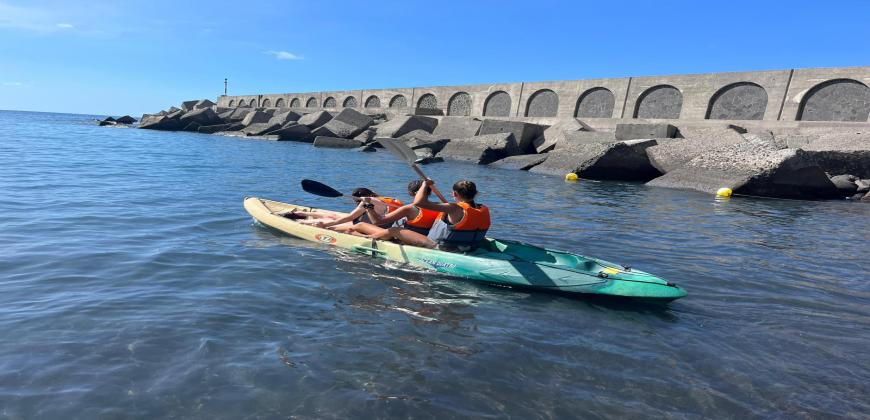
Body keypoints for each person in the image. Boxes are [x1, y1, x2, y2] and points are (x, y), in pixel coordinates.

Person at [366, 179, 490, 251]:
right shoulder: (483, 208)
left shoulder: (453, 208)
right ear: (475, 193)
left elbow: (419, 202)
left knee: (394, 229)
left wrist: (425, 185)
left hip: (440, 247)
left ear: (454, 194)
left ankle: (366, 238)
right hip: (470, 245)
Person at [348, 180, 442, 244]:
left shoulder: (409, 208)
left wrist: (368, 206)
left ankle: (362, 236)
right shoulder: (441, 206)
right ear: (430, 192)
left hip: (403, 237)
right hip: (424, 236)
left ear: (411, 193)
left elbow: (377, 222)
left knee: (359, 225)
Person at [306, 187, 403, 232]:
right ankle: (304, 215)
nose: (356, 203)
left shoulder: (369, 200)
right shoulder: (388, 199)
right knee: (337, 218)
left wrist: (326, 225)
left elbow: (349, 217)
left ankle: (311, 224)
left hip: (380, 228)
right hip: (393, 225)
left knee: (344, 223)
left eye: (356, 201)